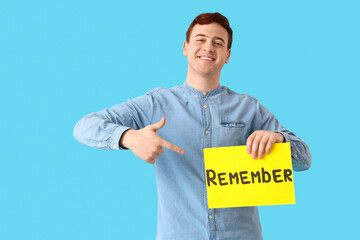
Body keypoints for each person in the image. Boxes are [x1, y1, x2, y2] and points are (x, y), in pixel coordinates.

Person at [73, 12, 311, 240]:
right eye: (201, 39)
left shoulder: (249, 108)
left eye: (218, 43)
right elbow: (84, 126)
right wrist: (130, 138)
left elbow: (304, 159)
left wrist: (279, 140)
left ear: (227, 55)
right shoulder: (156, 103)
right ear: (185, 48)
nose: (208, 47)